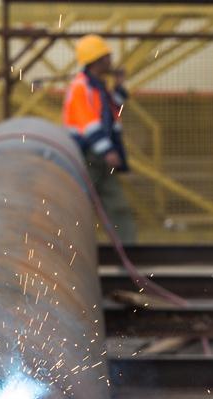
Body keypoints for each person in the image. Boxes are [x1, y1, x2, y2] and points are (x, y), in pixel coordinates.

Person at [62, 34, 137, 243]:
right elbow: (89, 124)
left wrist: (120, 86)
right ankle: (68, 251)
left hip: (99, 157)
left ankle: (130, 256)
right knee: (78, 207)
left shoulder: (97, 86)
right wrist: (108, 151)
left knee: (118, 206)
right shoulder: (81, 87)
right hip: (86, 157)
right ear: (97, 60)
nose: (111, 60)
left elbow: (113, 109)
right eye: (107, 56)